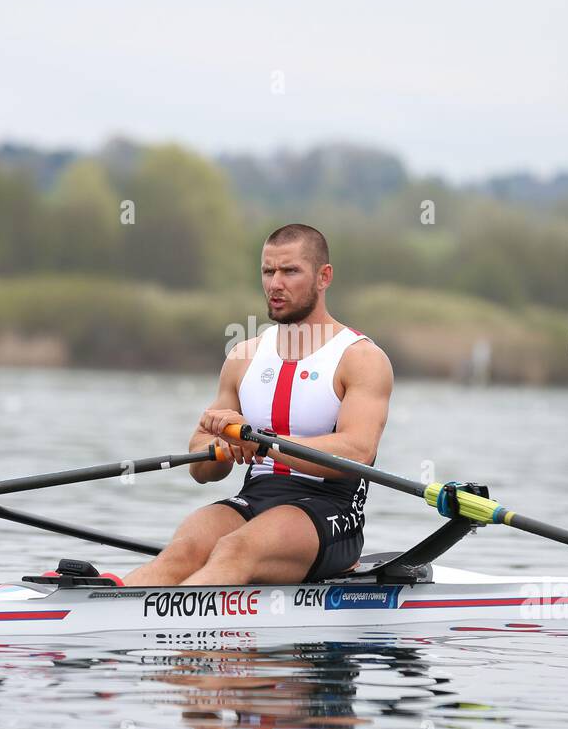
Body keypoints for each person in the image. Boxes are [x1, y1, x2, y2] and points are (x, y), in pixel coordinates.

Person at [123, 223, 393, 586]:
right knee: (179, 555)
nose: (275, 284)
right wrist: (220, 446)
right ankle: (104, 611)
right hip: (255, 499)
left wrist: (262, 442)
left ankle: (182, 639)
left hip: (328, 512)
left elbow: (356, 453)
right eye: (268, 271)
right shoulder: (243, 356)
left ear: (323, 277)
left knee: (234, 550)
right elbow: (200, 469)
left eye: (290, 271)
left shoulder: (360, 358)